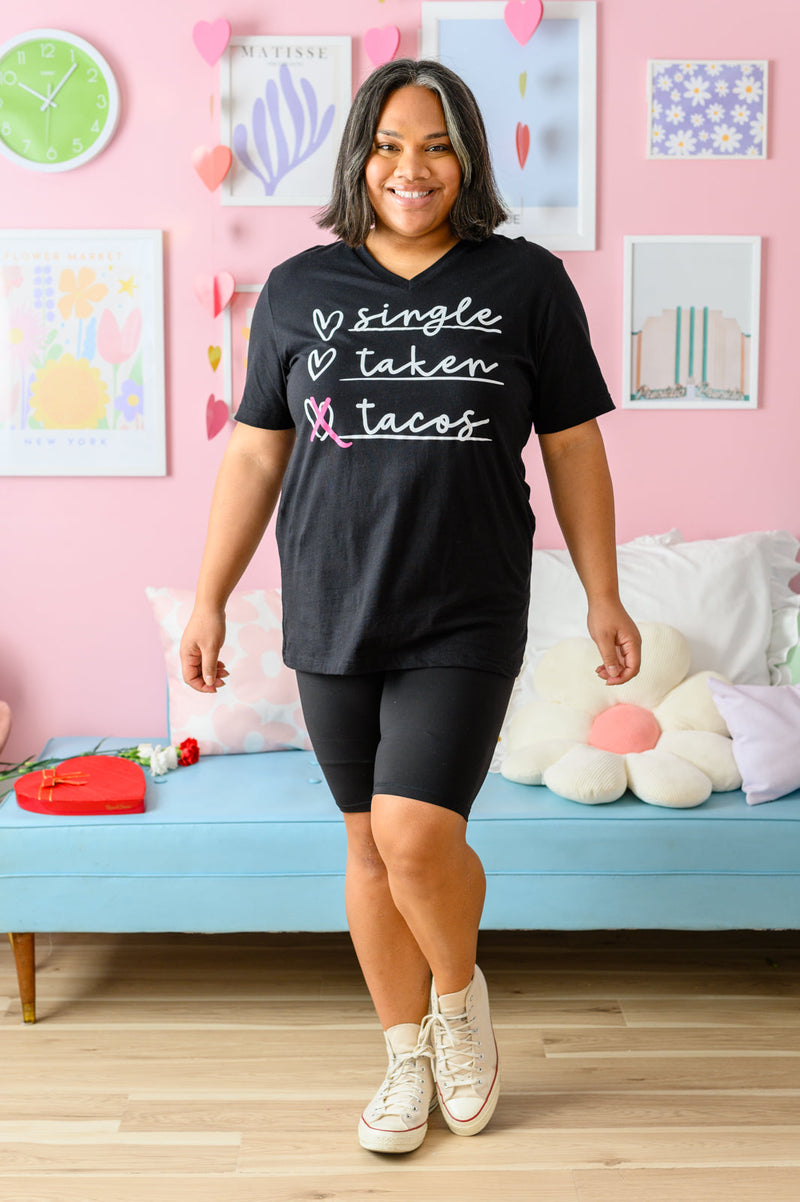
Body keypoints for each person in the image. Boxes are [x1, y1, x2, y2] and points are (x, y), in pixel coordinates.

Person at [180, 58, 641, 1155]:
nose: (411, 167)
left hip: (466, 605)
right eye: (388, 145)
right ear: (359, 159)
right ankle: (402, 1054)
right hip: (330, 600)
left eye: (436, 145)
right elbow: (253, 455)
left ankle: (456, 1001)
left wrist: (603, 593)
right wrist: (208, 598)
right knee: (365, 844)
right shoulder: (298, 288)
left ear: (467, 160)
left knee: (415, 832)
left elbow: (572, 446)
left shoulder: (524, 281)